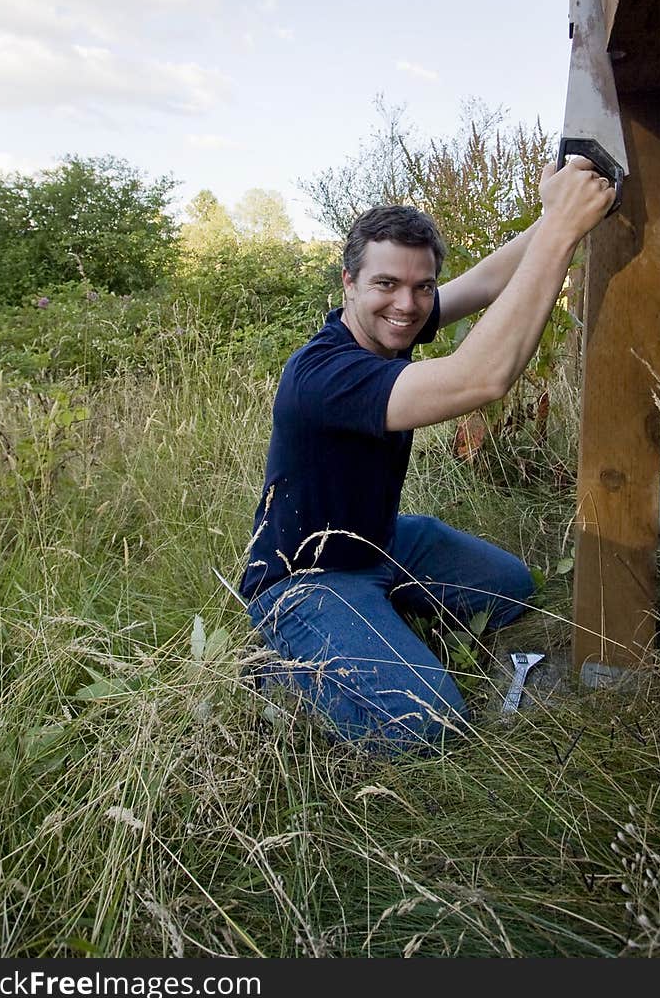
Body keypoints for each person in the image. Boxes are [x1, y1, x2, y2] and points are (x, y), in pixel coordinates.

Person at [238, 156, 615, 749]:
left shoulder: (397, 321)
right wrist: (565, 231)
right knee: (428, 724)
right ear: (349, 282)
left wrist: (553, 213)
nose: (407, 306)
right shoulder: (325, 374)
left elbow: (490, 281)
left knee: (511, 588)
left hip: (379, 540)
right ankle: (286, 665)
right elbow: (480, 378)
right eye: (386, 284)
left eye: (422, 287)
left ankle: (376, 614)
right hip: (304, 577)